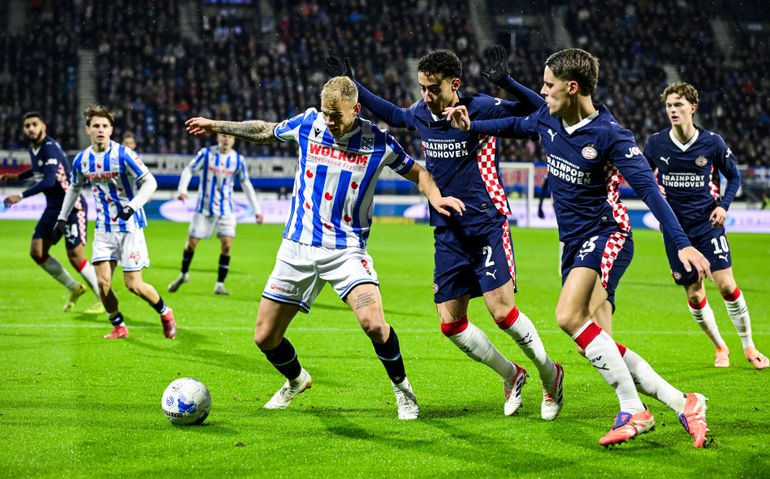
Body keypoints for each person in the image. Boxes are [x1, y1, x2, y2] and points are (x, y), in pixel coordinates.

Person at [444, 48, 713, 448]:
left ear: (572, 88)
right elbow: (514, 123)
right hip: (572, 243)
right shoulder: (549, 119)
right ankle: (684, 402)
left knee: (568, 316)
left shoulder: (610, 135)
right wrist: (473, 123)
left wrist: (683, 244)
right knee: (599, 339)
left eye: (549, 85)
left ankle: (633, 410)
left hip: (607, 233)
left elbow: (650, 192)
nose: (542, 91)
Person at [185, 76, 466, 419]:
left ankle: (403, 391)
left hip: (346, 250)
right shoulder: (308, 124)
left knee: (374, 325)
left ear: (356, 109)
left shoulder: (376, 141)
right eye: (326, 114)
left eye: (337, 116)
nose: (330, 122)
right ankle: (296, 380)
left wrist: (436, 199)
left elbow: (418, 172)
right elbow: (264, 129)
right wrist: (215, 125)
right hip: (297, 248)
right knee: (264, 338)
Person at [326, 47, 565, 420]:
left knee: (501, 312)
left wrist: (507, 81)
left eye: (433, 88)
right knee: (451, 324)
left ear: (454, 84)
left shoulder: (482, 108)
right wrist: (356, 85)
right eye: (422, 88)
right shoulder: (422, 113)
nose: (426, 97)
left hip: (486, 223)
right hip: (447, 231)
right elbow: (392, 113)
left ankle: (550, 376)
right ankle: (511, 374)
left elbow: (540, 110)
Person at [644, 81, 768, 370]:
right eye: (669, 106)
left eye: (678, 105)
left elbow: (734, 177)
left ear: (693, 108)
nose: (673, 110)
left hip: (706, 224)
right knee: (695, 293)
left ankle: (749, 346)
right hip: (675, 230)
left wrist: (723, 206)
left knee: (726, 285)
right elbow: (642, 175)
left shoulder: (712, 142)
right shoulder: (655, 143)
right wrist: (653, 188)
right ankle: (719, 347)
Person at [56, 105, 177, 340]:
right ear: (87, 129)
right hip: (104, 229)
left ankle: (165, 312)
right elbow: (74, 187)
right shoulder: (82, 160)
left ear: (111, 130)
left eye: (104, 126)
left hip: (130, 227)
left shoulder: (123, 154)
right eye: (96, 126)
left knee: (134, 285)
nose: (100, 130)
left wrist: (132, 207)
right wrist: (62, 217)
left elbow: (150, 182)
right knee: (102, 284)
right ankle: (119, 325)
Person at [0, 112, 102, 313]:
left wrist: (20, 194)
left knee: (75, 256)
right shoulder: (35, 148)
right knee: (37, 252)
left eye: (34, 124)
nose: (30, 128)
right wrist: (16, 177)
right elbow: (39, 170)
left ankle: (103, 298)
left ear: (43, 126)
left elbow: (48, 180)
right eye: (27, 125)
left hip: (71, 206)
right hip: (53, 207)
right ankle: (74, 287)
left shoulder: (49, 148)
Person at [167, 133, 264, 295]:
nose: (226, 139)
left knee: (227, 246)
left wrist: (257, 210)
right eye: (224, 136)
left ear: (234, 140)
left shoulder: (238, 160)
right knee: (191, 244)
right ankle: (183, 274)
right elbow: (189, 170)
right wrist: (182, 189)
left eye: (230, 137)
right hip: (204, 208)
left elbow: (246, 184)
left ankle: (219, 284)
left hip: (226, 209)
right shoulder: (206, 154)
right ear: (218, 137)